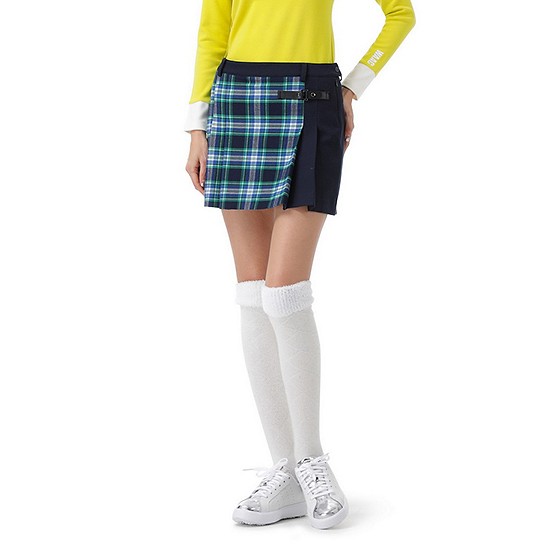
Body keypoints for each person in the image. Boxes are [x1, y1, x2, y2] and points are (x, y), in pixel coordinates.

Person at [184, 0, 415, 530]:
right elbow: (212, 33)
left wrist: (353, 85)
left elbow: (400, 13)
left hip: (313, 97)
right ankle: (284, 471)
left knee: (285, 293)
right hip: (236, 98)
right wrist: (197, 125)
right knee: (253, 294)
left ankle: (312, 460)